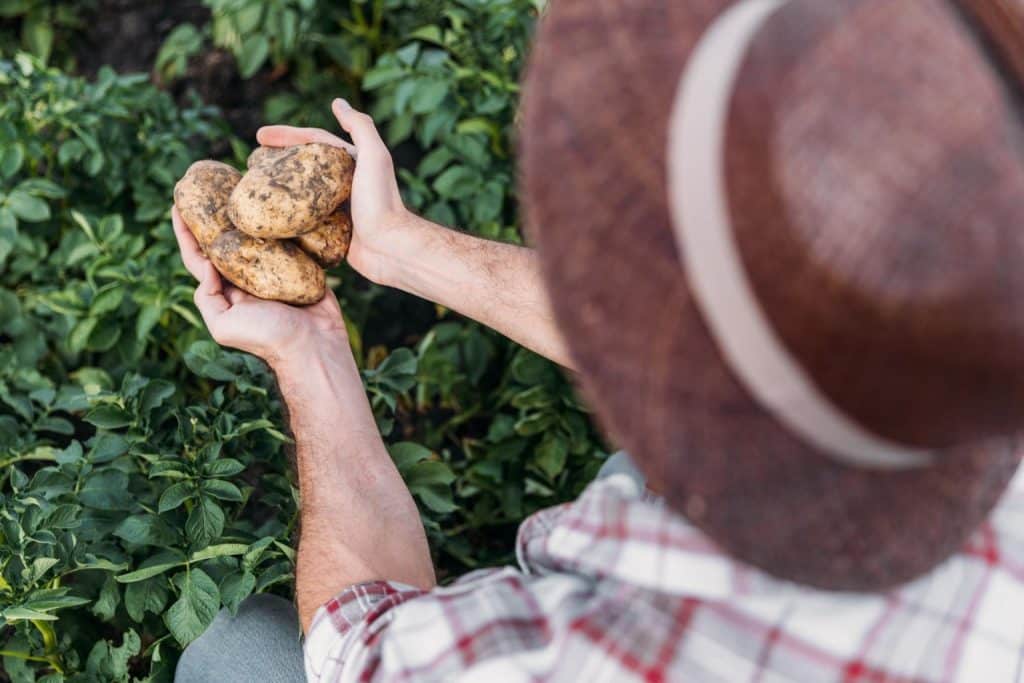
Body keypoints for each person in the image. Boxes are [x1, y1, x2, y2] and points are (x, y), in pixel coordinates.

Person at [175, 0, 1024, 681]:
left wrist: (308, 351)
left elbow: (356, 646)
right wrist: (402, 249)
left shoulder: (634, 635)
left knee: (237, 657)